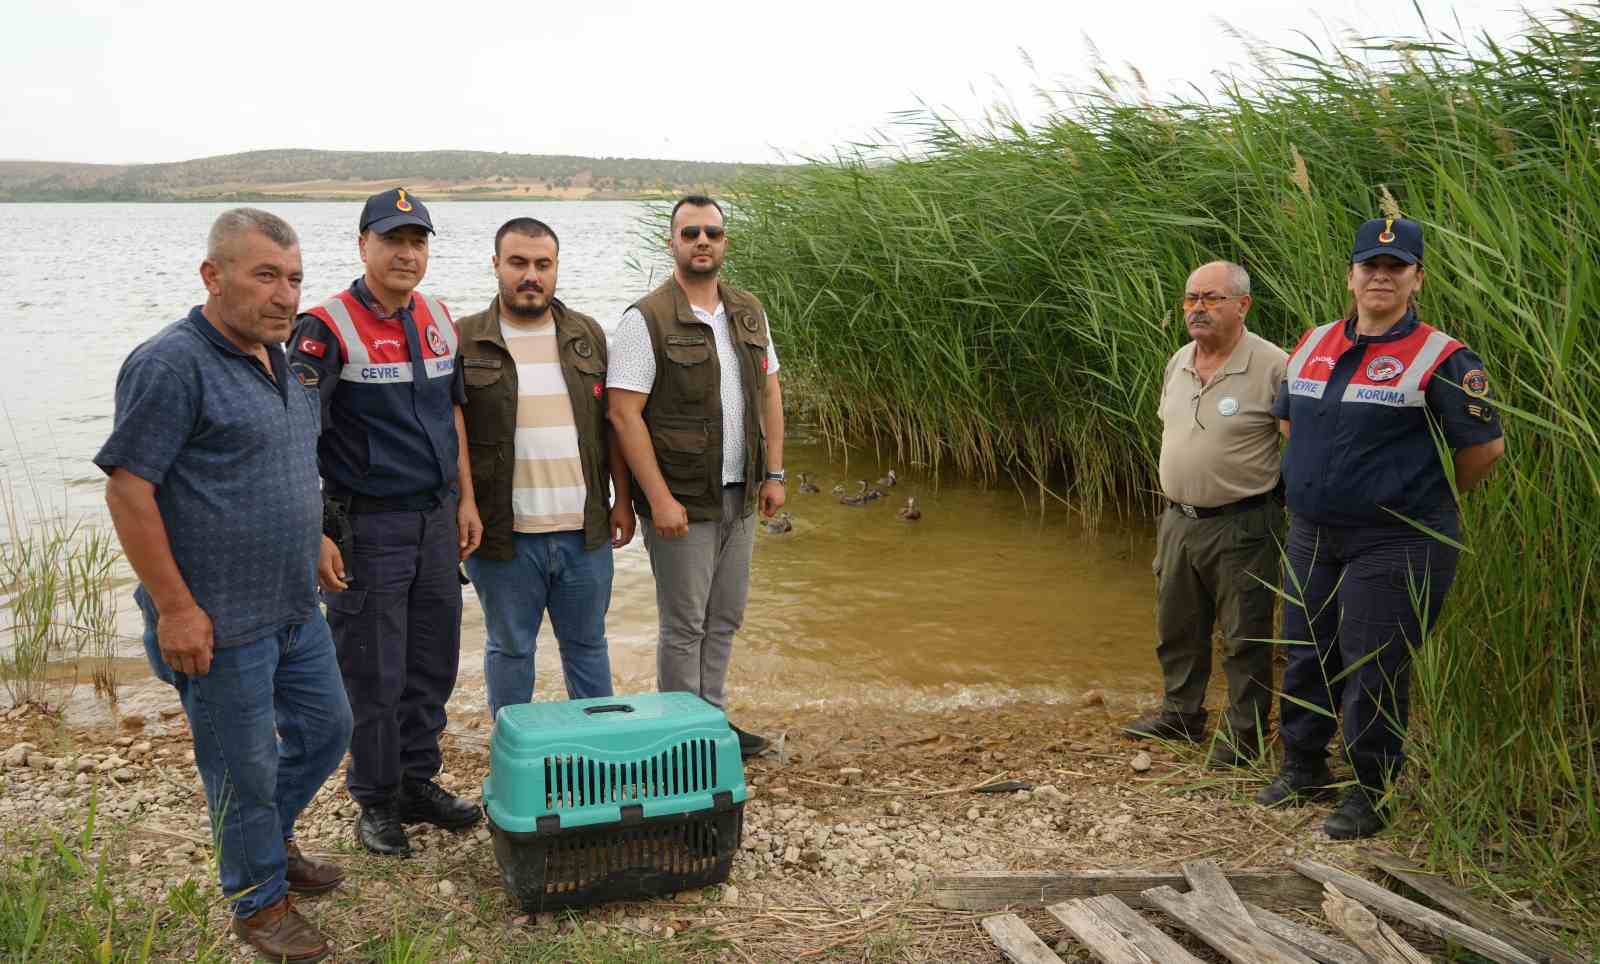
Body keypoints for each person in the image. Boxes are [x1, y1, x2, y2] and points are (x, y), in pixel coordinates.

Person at [97, 208, 352, 962]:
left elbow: (281, 466)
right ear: (212, 276)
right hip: (215, 622)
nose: (285, 294)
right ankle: (259, 905)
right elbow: (128, 491)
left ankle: (267, 845)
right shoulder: (170, 365)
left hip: (293, 608)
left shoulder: (288, 360)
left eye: (295, 278)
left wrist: (315, 536)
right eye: (265, 275)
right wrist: (175, 608)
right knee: (242, 767)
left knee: (328, 729)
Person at [1257, 217, 1505, 839]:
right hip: (1313, 531)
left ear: (1416, 279)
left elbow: (1485, 449)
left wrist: (1417, 501)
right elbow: (1292, 423)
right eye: (1370, 265)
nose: (1381, 276)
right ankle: (1304, 765)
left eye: (1396, 268)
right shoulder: (1313, 341)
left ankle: (1371, 792)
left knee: (1375, 663)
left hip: (1398, 539)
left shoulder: (1444, 357)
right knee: (1306, 649)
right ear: (1351, 275)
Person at [287, 188, 484, 857]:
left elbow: (454, 416)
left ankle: (416, 782)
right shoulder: (325, 326)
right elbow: (295, 437)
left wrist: (466, 501)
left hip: (435, 524)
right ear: (362, 243)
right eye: (393, 239)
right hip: (367, 530)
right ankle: (375, 801)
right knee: (373, 672)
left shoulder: (437, 315)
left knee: (432, 662)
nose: (407, 253)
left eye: (418, 240)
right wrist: (311, 530)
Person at [606, 195, 785, 758]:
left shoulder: (748, 311)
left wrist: (775, 472)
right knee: (684, 625)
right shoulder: (646, 318)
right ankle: (679, 737)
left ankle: (712, 722)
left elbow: (771, 391)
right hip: (683, 500)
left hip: (744, 494)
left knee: (725, 616)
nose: (702, 241)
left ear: (724, 242)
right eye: (690, 233)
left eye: (712, 232)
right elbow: (622, 412)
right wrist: (655, 499)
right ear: (672, 243)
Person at [458, 218, 635, 717]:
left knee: (588, 648)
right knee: (510, 649)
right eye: (518, 263)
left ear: (556, 268)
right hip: (502, 536)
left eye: (542, 264)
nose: (530, 275)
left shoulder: (587, 335)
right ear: (496, 265)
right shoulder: (464, 339)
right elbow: (451, 437)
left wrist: (622, 499)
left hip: (585, 532)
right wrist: (462, 505)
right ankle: (515, 757)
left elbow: (612, 427)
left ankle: (603, 761)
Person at [1123, 261, 1288, 768]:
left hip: (1243, 523)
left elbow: (1297, 445)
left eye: (1211, 298)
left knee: (1245, 635)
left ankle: (1245, 736)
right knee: (1177, 626)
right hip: (1178, 519)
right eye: (1191, 298)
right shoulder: (1178, 360)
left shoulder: (1274, 365)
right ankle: (1180, 714)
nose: (1197, 308)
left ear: (1243, 305)